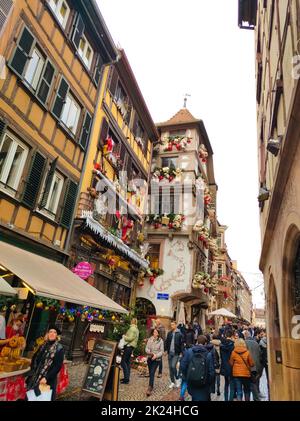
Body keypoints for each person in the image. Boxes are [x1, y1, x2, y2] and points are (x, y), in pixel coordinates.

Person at [26, 325, 64, 401]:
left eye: (54, 332)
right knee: (31, 397)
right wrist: (33, 370)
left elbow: (57, 366)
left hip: (48, 379)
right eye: (50, 332)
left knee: (43, 397)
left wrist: (46, 377)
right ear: (47, 334)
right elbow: (35, 358)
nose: (52, 334)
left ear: (57, 335)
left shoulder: (59, 348)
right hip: (36, 377)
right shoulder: (43, 345)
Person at [180, 335, 215, 401]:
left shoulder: (189, 352)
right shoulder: (208, 354)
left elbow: (183, 365)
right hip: (204, 385)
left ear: (197, 342)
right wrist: (208, 382)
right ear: (205, 343)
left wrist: (188, 376)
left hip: (192, 383)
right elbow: (212, 372)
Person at [243, 329, 263, 401]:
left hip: (247, 367)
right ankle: (256, 398)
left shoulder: (244, 343)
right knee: (254, 383)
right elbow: (260, 354)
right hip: (256, 367)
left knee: (247, 387)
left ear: (245, 336)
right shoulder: (256, 343)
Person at [145, 328, 164, 396]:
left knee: (152, 372)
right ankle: (151, 383)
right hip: (150, 358)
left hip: (156, 359)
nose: (155, 333)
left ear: (158, 333)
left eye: (156, 332)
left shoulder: (160, 341)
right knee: (151, 373)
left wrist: (156, 355)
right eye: (154, 332)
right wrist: (149, 352)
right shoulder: (150, 339)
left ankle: (150, 387)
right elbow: (146, 348)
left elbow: (162, 351)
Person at [165, 320, 183, 389]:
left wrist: (181, 352)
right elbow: (167, 342)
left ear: (176, 325)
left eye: (172, 324)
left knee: (173, 366)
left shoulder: (179, 334)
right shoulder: (169, 333)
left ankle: (177, 378)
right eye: (171, 325)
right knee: (170, 368)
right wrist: (166, 350)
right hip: (170, 353)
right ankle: (172, 382)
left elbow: (181, 344)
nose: (171, 326)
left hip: (176, 353)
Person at [120, 318, 139, 384]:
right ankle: (126, 378)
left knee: (123, 362)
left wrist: (124, 336)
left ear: (132, 322)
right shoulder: (136, 329)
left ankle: (126, 378)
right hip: (131, 347)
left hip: (128, 346)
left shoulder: (132, 329)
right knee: (127, 362)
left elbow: (130, 338)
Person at [220, 330, 235, 401]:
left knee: (226, 385)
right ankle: (230, 399)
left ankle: (226, 399)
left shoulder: (222, 345)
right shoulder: (233, 345)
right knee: (232, 386)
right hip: (232, 367)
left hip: (224, 367)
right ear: (232, 336)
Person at [259, 332, 269, 399]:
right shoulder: (270, 342)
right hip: (267, 362)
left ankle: (258, 392)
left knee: (258, 377)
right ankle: (269, 392)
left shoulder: (260, 342)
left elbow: (259, 353)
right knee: (269, 378)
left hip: (261, 362)